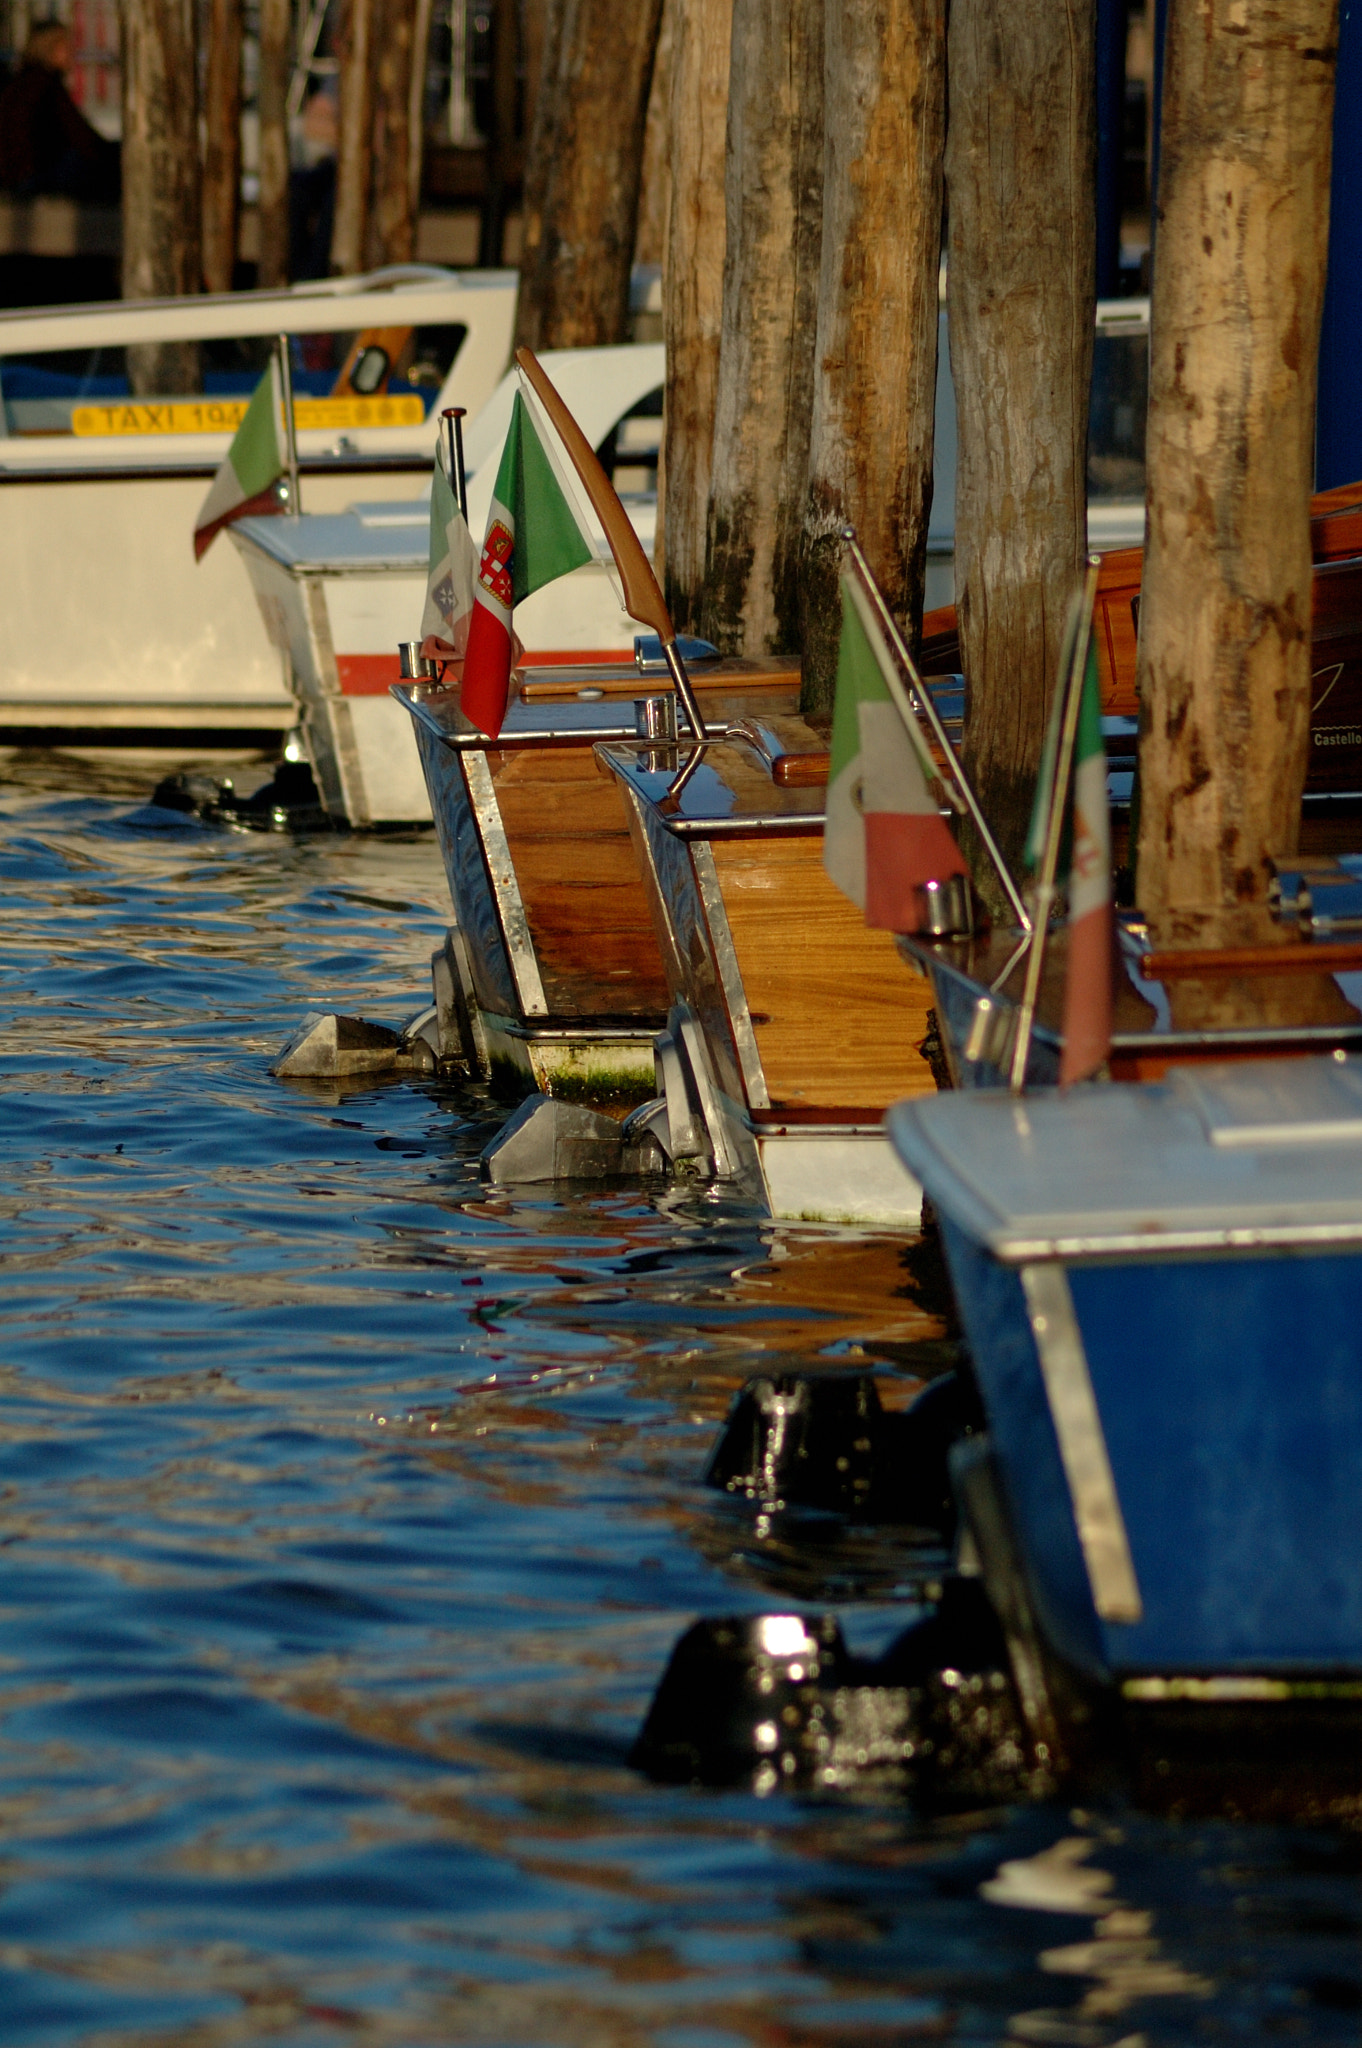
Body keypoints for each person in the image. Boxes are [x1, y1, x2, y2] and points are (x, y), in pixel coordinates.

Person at [0, 20, 120, 202]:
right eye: (66, 46)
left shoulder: (24, 81)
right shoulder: (45, 85)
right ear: (51, 49)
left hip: (18, 175)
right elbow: (81, 136)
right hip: (30, 176)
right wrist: (116, 153)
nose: (72, 53)